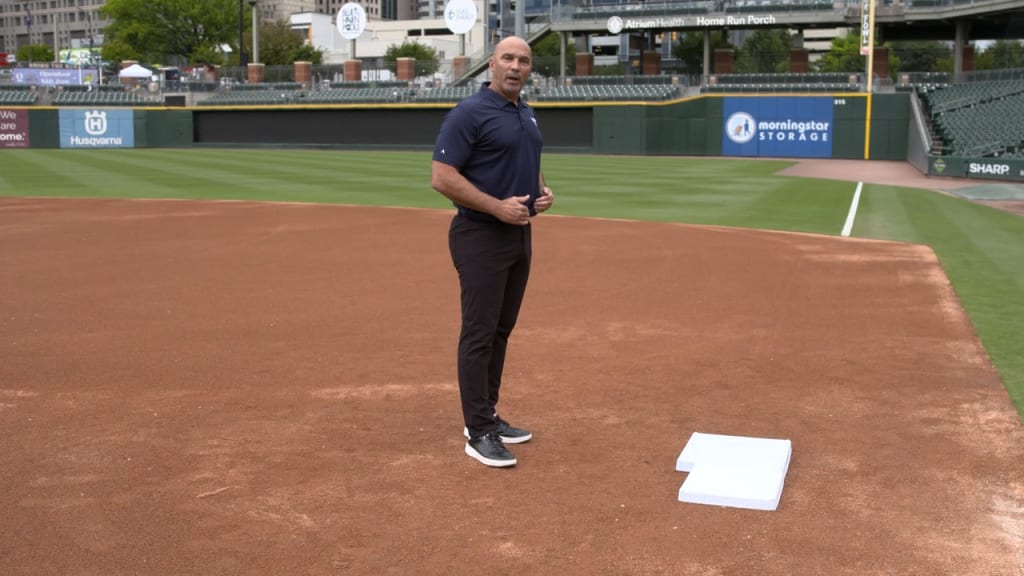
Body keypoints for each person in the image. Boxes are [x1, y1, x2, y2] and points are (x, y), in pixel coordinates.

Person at [430, 36, 555, 468]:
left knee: (501, 331)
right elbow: (442, 176)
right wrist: (496, 206)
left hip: (518, 235)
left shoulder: (525, 112)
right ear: (491, 65)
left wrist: (541, 190)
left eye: (523, 60)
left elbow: (528, 158)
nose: (516, 66)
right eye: (508, 58)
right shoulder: (469, 113)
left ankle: (487, 416)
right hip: (479, 234)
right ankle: (477, 431)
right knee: (479, 333)